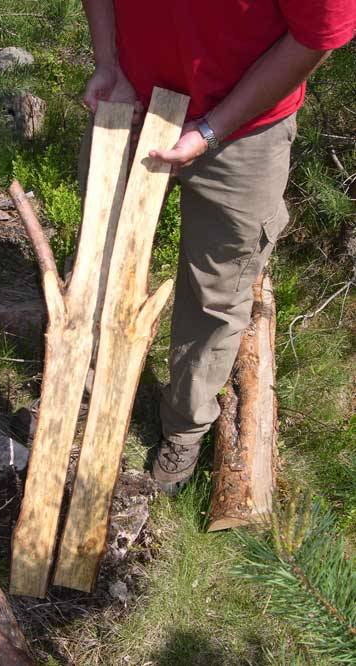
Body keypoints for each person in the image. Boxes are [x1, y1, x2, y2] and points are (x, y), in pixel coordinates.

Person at [79, 1, 355, 494]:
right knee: (99, 255)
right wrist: (108, 63)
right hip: (130, 96)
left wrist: (210, 130)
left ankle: (184, 426)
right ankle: (85, 379)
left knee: (216, 291)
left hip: (246, 127)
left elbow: (316, 36)